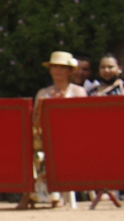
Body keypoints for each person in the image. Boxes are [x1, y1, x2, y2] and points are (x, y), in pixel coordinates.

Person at [31, 50, 86, 206]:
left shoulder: (78, 92)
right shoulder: (42, 93)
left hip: (72, 141)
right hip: (47, 141)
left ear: (70, 71)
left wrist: (61, 107)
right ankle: (37, 195)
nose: (58, 70)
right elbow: (35, 122)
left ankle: (56, 194)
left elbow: (83, 122)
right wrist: (43, 106)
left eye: (62, 67)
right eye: (55, 66)